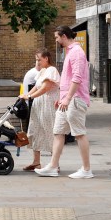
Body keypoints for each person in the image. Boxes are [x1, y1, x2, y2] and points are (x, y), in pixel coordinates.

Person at [36, 26, 93, 179]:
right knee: (58, 132)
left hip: (75, 100)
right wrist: (62, 98)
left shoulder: (77, 53)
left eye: (56, 37)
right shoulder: (70, 52)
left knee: (79, 133)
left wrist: (67, 98)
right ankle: (53, 166)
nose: (56, 40)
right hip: (67, 101)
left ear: (63, 36)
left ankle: (86, 169)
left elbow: (76, 78)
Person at [21, 49, 60, 171]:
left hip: (47, 104)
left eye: (39, 59)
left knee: (49, 131)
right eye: (36, 59)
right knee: (35, 130)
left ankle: (55, 164)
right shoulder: (42, 71)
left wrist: (30, 96)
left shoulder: (52, 70)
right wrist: (25, 95)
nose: (37, 62)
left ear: (46, 58)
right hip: (38, 104)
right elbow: (36, 87)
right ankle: (36, 162)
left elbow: (45, 88)